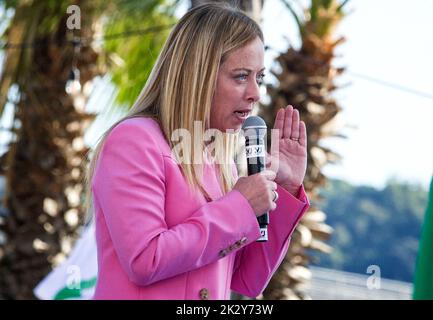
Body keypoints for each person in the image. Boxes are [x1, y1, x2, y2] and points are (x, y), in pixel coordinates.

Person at [86, 3, 309, 300]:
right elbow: (145, 259)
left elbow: (246, 280)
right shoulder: (134, 141)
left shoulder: (221, 163)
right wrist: (240, 206)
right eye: (241, 76)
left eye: (260, 78)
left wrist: (287, 188)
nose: (255, 93)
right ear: (198, 75)